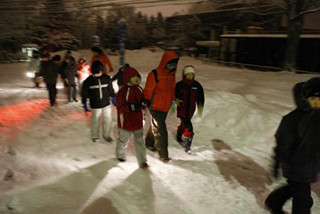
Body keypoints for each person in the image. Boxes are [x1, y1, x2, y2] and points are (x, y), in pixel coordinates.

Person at [265, 77, 320, 214]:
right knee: (303, 201)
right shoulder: (293, 119)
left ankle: (274, 201)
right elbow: (282, 144)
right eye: (314, 99)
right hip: (296, 165)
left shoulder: (317, 118)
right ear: (306, 98)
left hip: (310, 165)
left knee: (295, 189)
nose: (317, 103)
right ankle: (274, 202)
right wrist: (276, 163)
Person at [144, 51, 179, 162]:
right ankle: (163, 155)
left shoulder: (172, 76)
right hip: (155, 106)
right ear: (164, 63)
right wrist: (145, 103)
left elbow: (172, 89)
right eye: (169, 65)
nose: (171, 68)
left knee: (155, 126)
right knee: (161, 130)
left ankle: (149, 143)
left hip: (165, 107)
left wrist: (173, 101)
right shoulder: (154, 74)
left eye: (174, 65)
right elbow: (148, 90)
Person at [115, 67, 149, 168]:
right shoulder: (123, 92)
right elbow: (120, 107)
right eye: (133, 77)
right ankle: (120, 155)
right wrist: (131, 107)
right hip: (126, 122)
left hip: (138, 121)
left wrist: (144, 104)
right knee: (123, 140)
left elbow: (143, 101)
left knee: (140, 142)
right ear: (127, 78)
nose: (135, 79)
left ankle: (143, 161)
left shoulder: (139, 89)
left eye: (136, 76)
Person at [81, 60, 115, 143]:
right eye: (95, 73)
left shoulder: (106, 78)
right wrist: (84, 103)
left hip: (106, 103)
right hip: (95, 105)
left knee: (108, 120)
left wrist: (114, 97)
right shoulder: (88, 81)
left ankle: (106, 135)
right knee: (95, 121)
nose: (97, 75)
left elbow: (110, 90)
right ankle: (95, 136)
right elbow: (84, 93)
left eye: (98, 73)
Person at [175, 65, 204, 154]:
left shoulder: (197, 85)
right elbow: (175, 95)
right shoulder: (180, 85)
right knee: (189, 128)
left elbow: (200, 97)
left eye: (192, 74)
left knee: (184, 124)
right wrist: (177, 100)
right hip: (182, 110)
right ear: (184, 75)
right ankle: (188, 147)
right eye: (188, 74)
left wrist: (200, 106)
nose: (190, 76)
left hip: (191, 110)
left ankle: (179, 133)